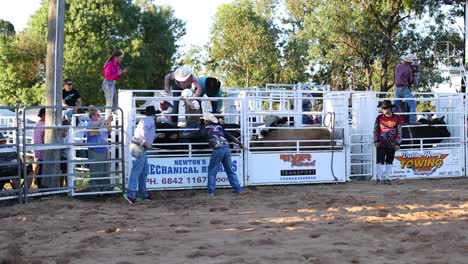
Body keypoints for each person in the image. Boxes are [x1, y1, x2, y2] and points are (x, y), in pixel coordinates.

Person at [181, 112, 243, 197]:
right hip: (227, 148)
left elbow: (193, 134)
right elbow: (230, 136)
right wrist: (239, 143)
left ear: (206, 121)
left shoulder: (205, 129)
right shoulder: (219, 127)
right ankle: (238, 189)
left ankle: (211, 192)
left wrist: (182, 135)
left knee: (212, 171)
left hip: (218, 149)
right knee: (229, 170)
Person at [123, 106, 157, 204]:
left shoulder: (145, 120)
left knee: (142, 170)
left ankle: (140, 193)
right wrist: (146, 143)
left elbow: (146, 133)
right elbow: (144, 133)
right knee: (138, 170)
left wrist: (155, 136)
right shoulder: (149, 120)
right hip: (140, 146)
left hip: (139, 146)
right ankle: (132, 194)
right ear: (154, 114)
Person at [373, 100, 402, 184]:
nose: (384, 110)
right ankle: (379, 178)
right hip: (381, 143)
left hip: (392, 143)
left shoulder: (397, 118)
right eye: (383, 108)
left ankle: (387, 178)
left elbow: (399, 131)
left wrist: (398, 143)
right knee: (379, 161)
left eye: (385, 108)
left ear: (390, 108)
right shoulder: (379, 118)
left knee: (390, 160)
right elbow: (375, 130)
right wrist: (376, 140)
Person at [86, 108, 112, 192]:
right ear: (92, 116)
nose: (99, 116)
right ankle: (95, 189)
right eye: (97, 115)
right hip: (95, 150)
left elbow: (109, 131)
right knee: (96, 171)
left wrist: (108, 123)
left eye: (99, 115)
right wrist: (105, 121)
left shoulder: (101, 122)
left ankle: (105, 188)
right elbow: (92, 132)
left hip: (105, 149)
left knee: (105, 170)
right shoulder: (90, 124)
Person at [102, 50, 129, 120]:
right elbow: (107, 76)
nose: (121, 59)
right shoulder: (109, 64)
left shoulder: (117, 65)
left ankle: (113, 119)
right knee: (109, 103)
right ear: (115, 57)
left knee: (115, 103)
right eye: (120, 57)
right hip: (107, 83)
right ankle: (108, 121)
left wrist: (122, 72)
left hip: (112, 83)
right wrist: (118, 74)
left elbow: (116, 77)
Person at [393, 53, 418, 124]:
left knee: (395, 106)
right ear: (410, 62)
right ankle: (413, 121)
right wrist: (414, 75)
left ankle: (391, 119)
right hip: (404, 89)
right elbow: (410, 81)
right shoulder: (409, 69)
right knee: (413, 104)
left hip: (397, 89)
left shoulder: (397, 66)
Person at [32, 108, 45, 189]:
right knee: (41, 168)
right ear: (43, 115)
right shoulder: (42, 124)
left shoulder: (38, 124)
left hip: (39, 148)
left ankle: (37, 182)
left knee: (39, 166)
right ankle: (40, 185)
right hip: (42, 148)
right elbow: (41, 138)